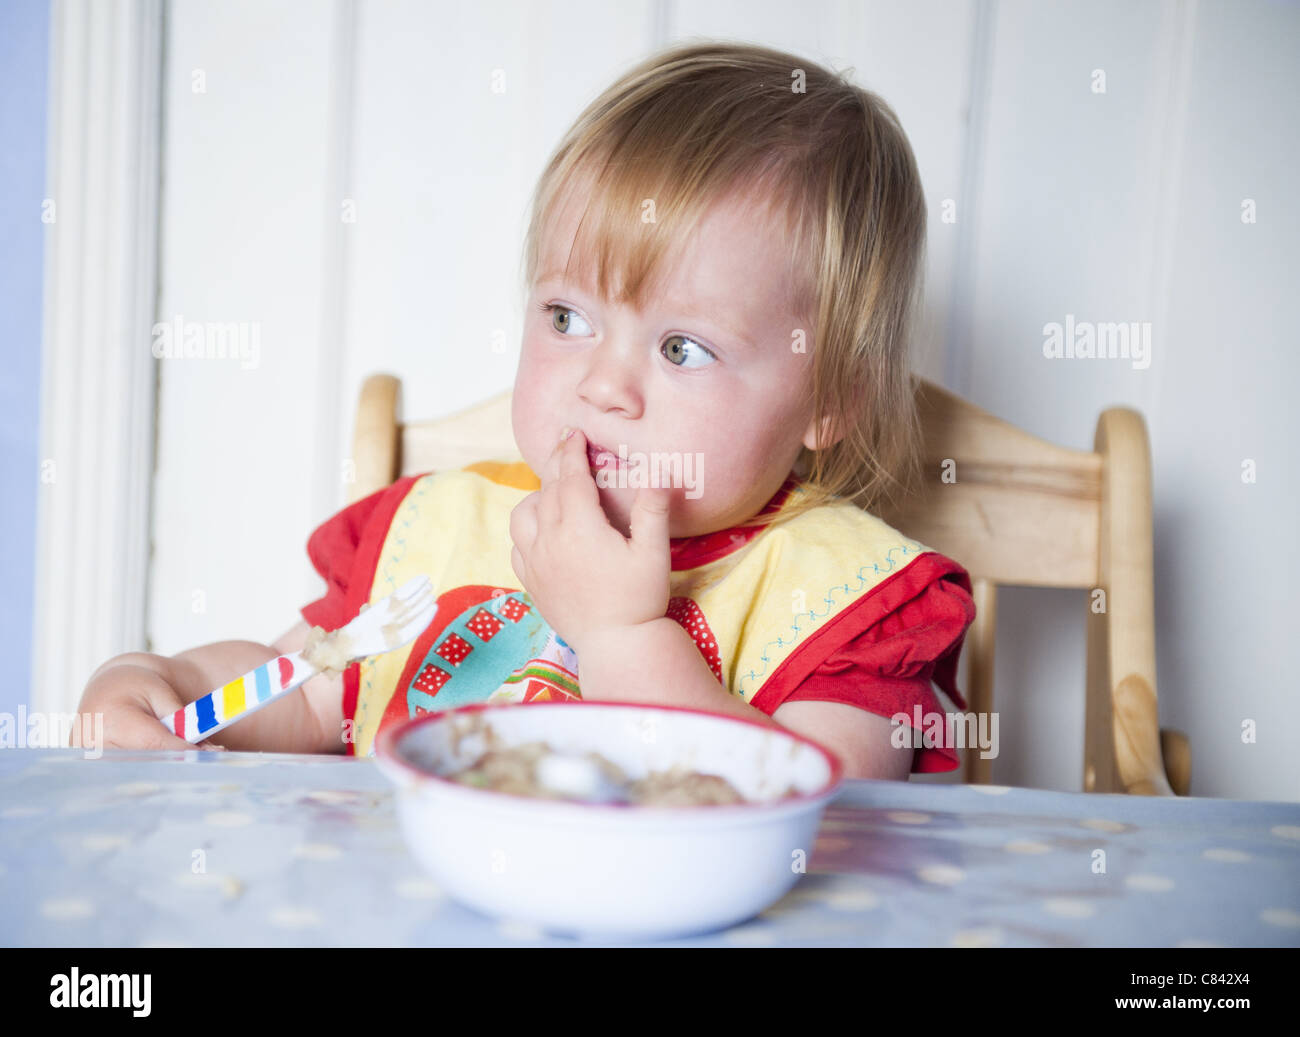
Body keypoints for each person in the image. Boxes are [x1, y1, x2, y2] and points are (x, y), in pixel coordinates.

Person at [75, 40, 975, 779]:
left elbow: (815, 812)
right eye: (568, 318)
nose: (602, 386)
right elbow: (306, 691)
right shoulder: (434, 530)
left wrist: (622, 634)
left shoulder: (854, 608)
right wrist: (162, 684)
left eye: (681, 347)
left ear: (831, 399)